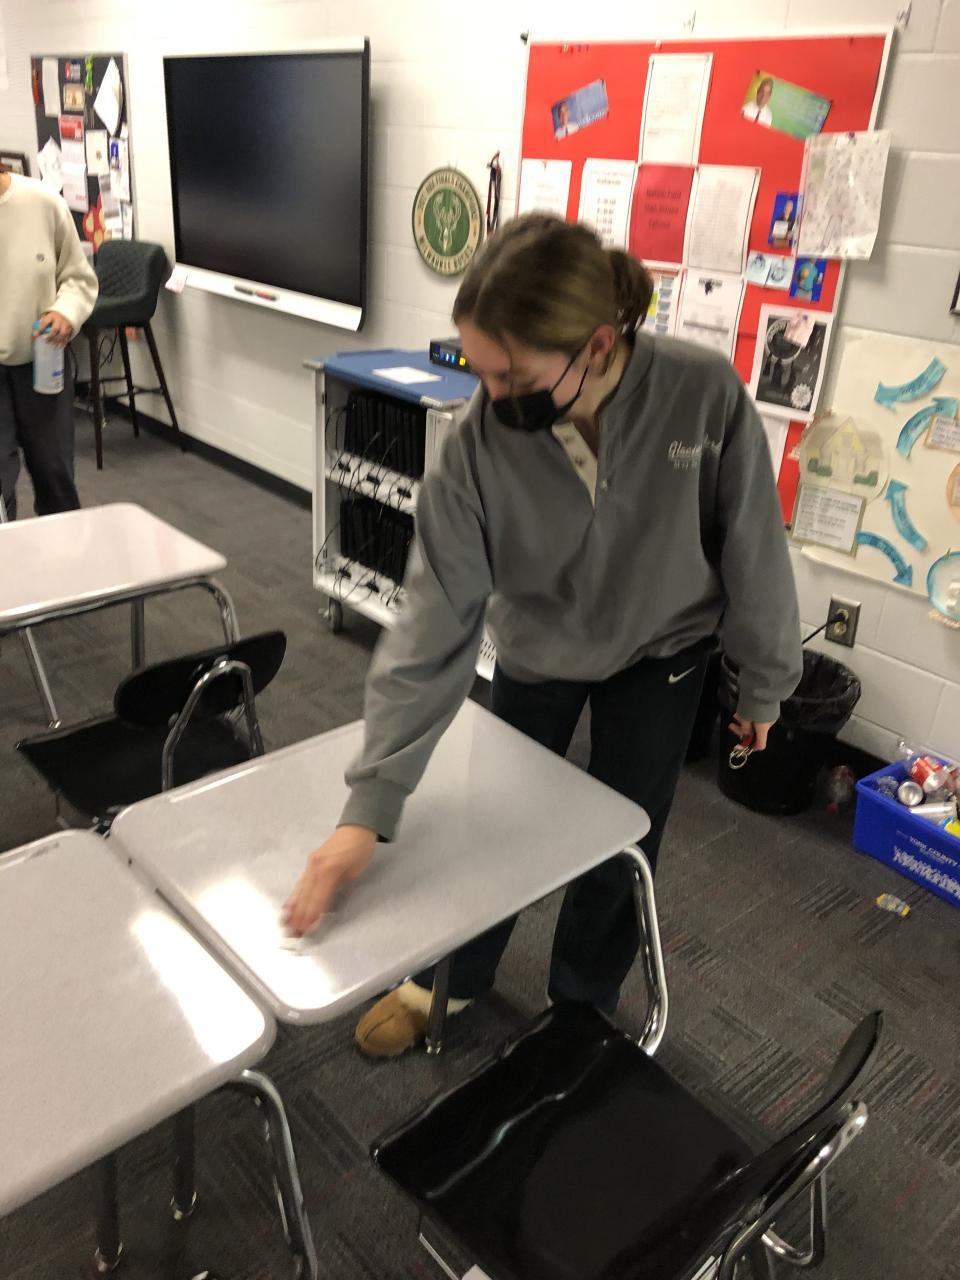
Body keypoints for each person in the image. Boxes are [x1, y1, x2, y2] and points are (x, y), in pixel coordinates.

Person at [284, 213, 802, 1057]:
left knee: (625, 836)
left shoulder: (702, 392)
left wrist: (765, 682)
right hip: (537, 643)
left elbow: (753, 543)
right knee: (498, 822)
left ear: (597, 346)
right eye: (480, 371)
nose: (490, 398)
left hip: (663, 652)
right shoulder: (478, 445)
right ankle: (454, 978)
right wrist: (368, 809)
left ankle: (582, 1007)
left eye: (512, 376)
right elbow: (427, 629)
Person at [0, 161, 98, 519]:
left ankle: (64, 550)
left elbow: (77, 278)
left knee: (54, 474)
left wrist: (65, 312)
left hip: (42, 362)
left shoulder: (42, 202)